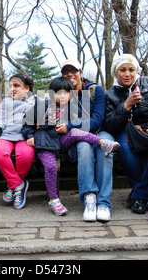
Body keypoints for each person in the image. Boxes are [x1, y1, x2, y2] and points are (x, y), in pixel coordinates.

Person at [22, 77, 120, 216]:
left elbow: (83, 122)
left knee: (74, 132)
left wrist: (69, 124)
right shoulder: (42, 105)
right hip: (44, 144)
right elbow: (26, 123)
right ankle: (54, 199)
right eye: (58, 93)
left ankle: (103, 143)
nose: (62, 96)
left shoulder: (73, 107)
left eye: (66, 93)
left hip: (61, 143)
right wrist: (30, 135)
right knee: (51, 167)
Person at [103, 54, 148, 214]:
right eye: (122, 70)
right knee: (125, 149)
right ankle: (143, 195)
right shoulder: (110, 95)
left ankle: (138, 195)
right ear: (115, 73)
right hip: (128, 132)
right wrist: (125, 105)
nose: (127, 74)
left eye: (131, 69)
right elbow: (110, 125)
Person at [60, 59, 116, 222]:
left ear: (81, 73)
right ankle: (89, 198)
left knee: (105, 148)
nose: (70, 74)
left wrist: (70, 125)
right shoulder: (61, 93)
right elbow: (53, 117)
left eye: (74, 70)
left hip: (100, 132)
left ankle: (104, 202)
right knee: (84, 147)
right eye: (65, 71)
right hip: (79, 137)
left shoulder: (94, 90)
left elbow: (97, 119)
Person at [0, 73, 36, 210]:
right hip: (7, 135)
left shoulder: (35, 101)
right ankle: (19, 185)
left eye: (16, 86)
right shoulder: (6, 102)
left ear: (26, 88)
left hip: (25, 136)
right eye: (10, 86)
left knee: (25, 155)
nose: (12, 89)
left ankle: (12, 186)